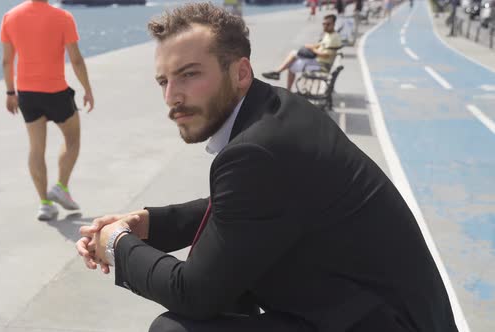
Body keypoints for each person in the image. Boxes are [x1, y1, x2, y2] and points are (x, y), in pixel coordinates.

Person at [76, 3, 458, 331]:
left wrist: (116, 244)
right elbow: (244, 208)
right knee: (231, 285)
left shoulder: (258, 149)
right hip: (373, 307)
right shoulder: (275, 109)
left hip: (384, 323)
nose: (172, 95)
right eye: (164, 80)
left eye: (190, 74)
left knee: (174, 329)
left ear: (240, 73)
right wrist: (149, 224)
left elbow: (193, 293)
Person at [0, 0, 94, 220]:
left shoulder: (10, 17)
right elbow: (77, 60)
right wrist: (87, 89)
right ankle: (61, 186)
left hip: (27, 94)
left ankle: (44, 204)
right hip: (56, 92)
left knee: (36, 148)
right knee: (72, 139)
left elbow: (7, 61)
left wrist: (10, 92)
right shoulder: (63, 17)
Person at [261, 14, 342, 91]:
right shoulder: (329, 34)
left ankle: (280, 76)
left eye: (328, 24)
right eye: (324, 24)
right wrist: (309, 46)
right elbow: (319, 45)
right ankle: (278, 74)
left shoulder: (334, 38)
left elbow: (325, 55)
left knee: (292, 66)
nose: (325, 26)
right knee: (294, 54)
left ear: (333, 24)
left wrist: (313, 50)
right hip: (318, 62)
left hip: (321, 66)